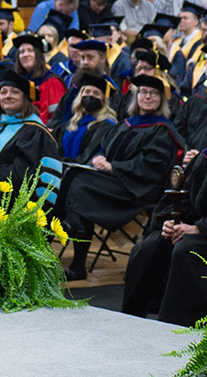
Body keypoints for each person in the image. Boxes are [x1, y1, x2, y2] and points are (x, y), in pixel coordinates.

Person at [122, 90, 207, 325]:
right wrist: (172, 221)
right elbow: (184, 195)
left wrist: (199, 229)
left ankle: (178, 324)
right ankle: (133, 316)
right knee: (148, 246)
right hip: (195, 228)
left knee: (186, 248)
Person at [53, 71, 184, 279]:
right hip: (115, 180)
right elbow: (105, 146)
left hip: (137, 188)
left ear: (161, 100)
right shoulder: (128, 123)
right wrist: (100, 157)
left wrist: (114, 167)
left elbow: (150, 166)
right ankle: (72, 230)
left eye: (153, 93)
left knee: (80, 183)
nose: (147, 97)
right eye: (142, 92)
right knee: (72, 175)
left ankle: (73, 236)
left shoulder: (162, 130)